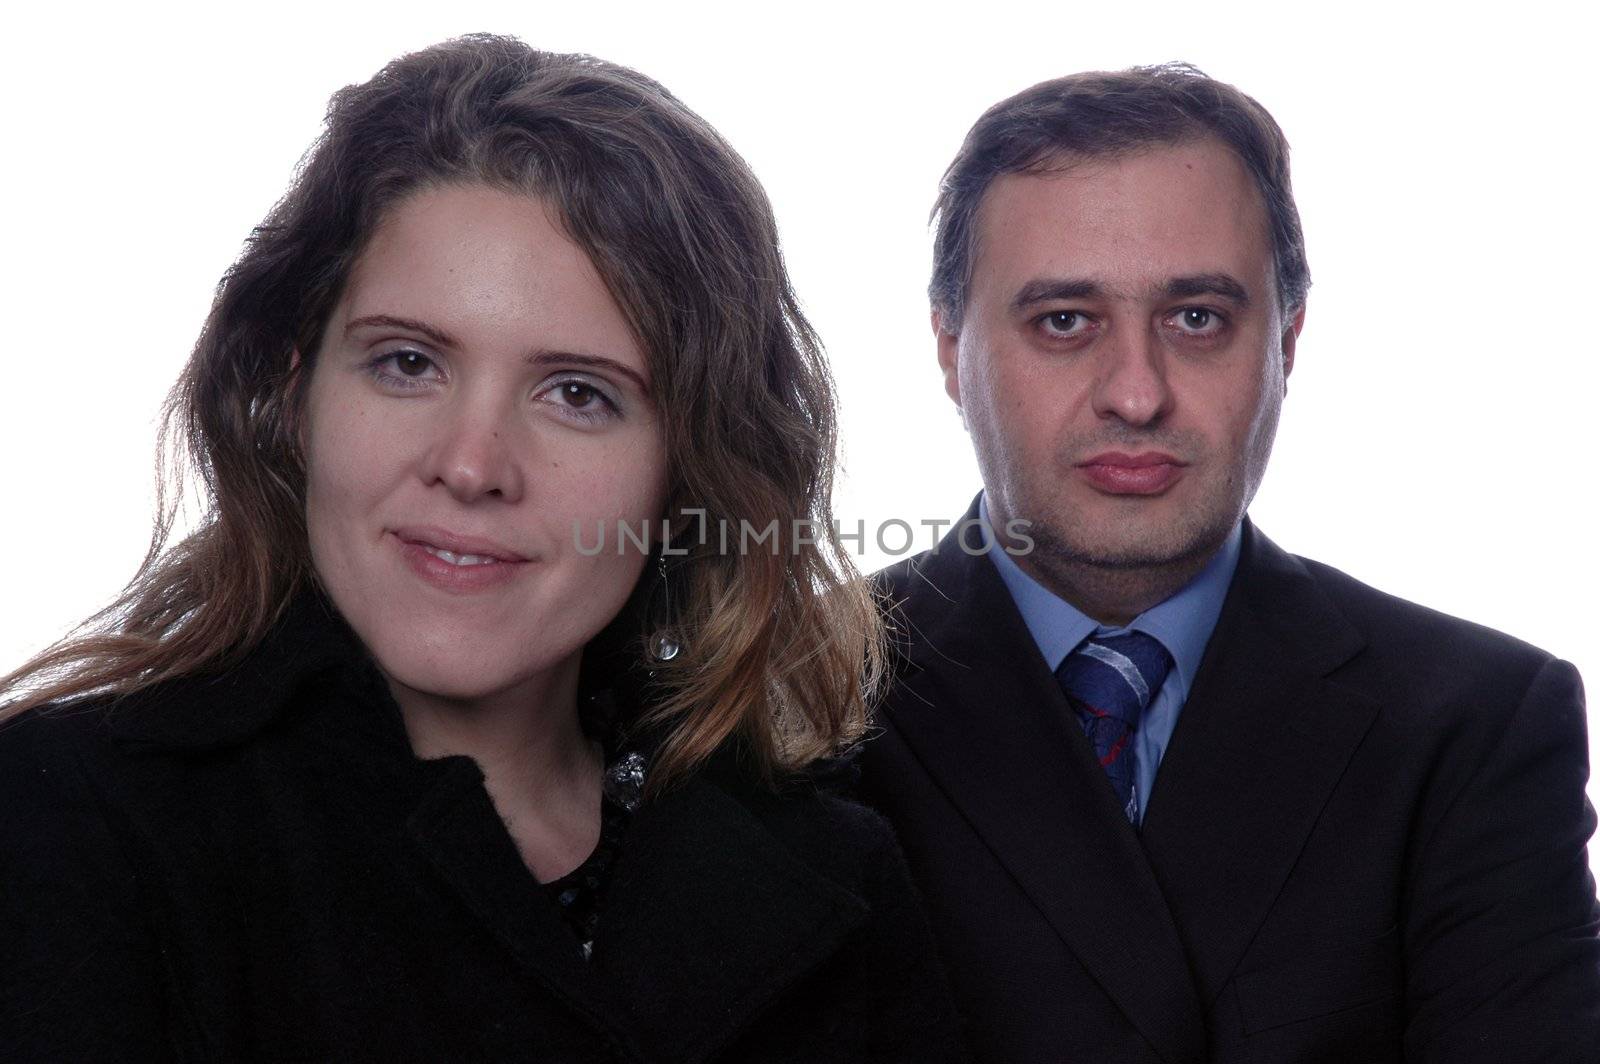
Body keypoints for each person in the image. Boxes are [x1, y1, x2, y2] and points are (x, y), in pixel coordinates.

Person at [0, 35, 964, 1063]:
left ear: (689, 467)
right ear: (292, 394)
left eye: (578, 394)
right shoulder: (68, 820)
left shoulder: (832, 868)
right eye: (408, 362)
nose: (472, 463)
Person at [857, 63, 1600, 1063]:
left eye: (1197, 317)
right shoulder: (776, 704)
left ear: (1286, 343)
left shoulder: (1474, 724)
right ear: (949, 349)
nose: (1135, 392)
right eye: (1064, 321)